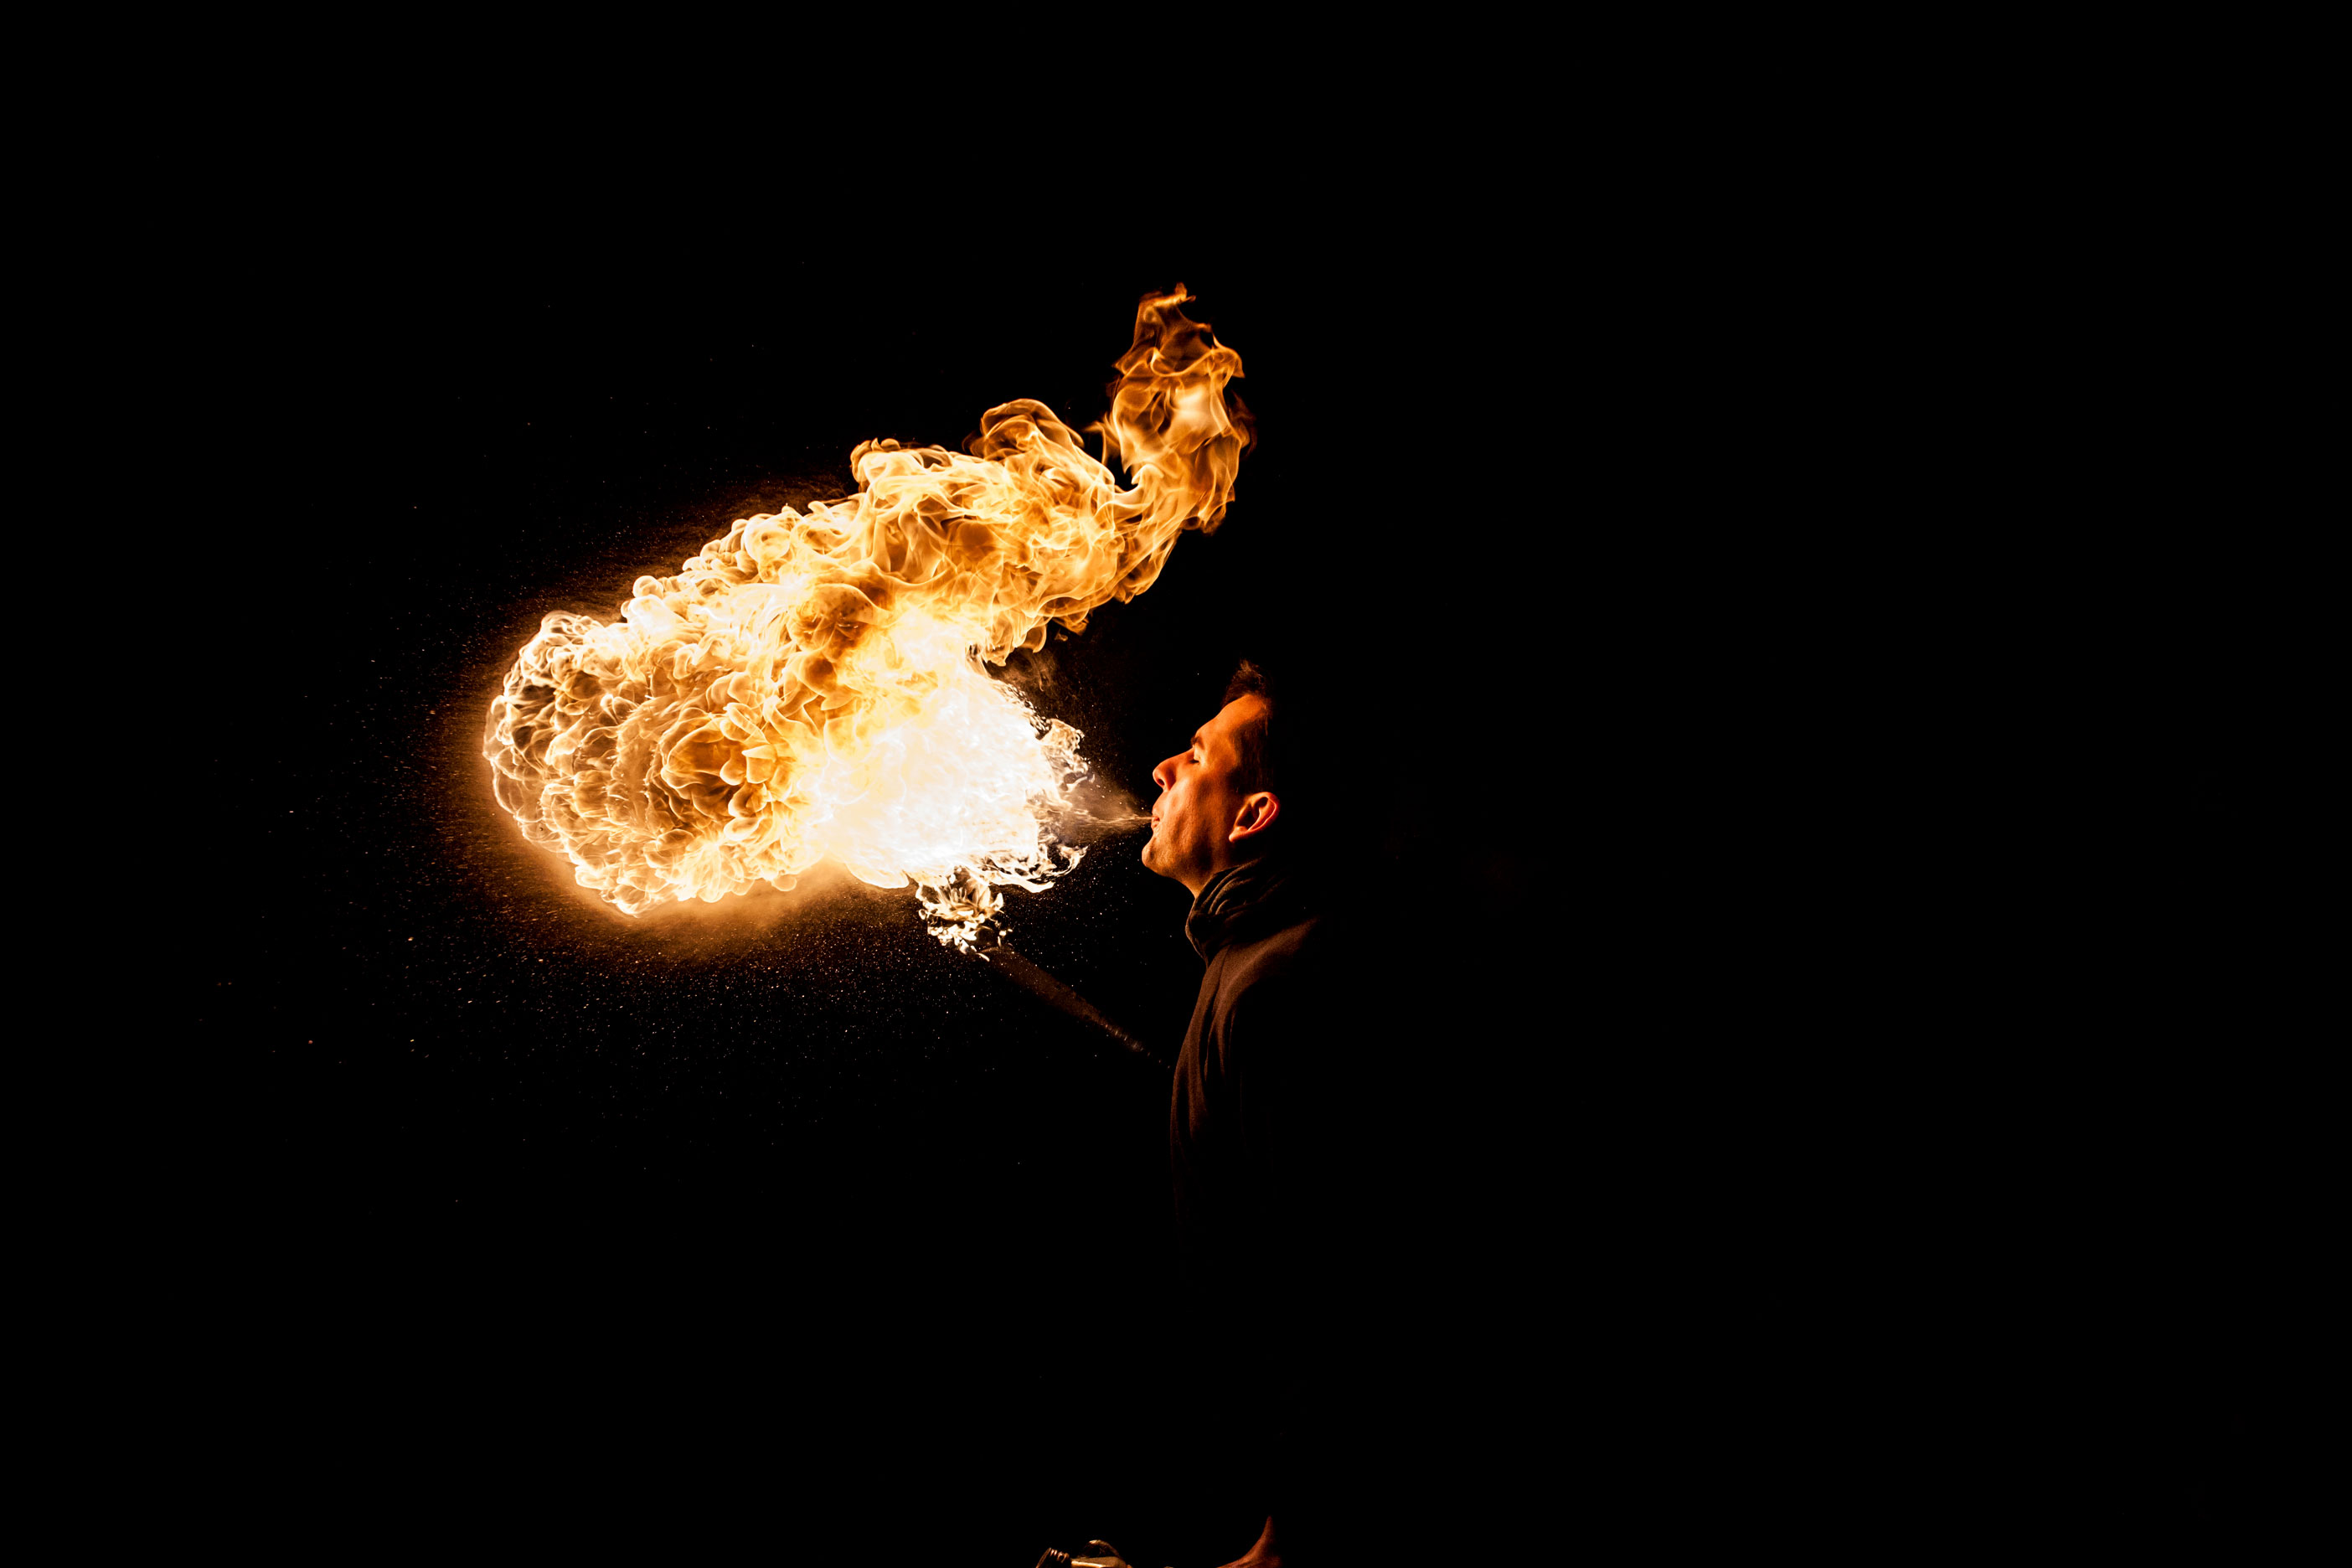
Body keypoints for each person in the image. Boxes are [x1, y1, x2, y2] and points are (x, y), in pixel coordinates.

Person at [1140, 659, 1357, 1568]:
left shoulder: (1288, 981)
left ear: (1253, 813)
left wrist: (1295, 1534)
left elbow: (1339, 1275)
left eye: (1198, 756)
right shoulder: (1248, 966)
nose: (1164, 768)